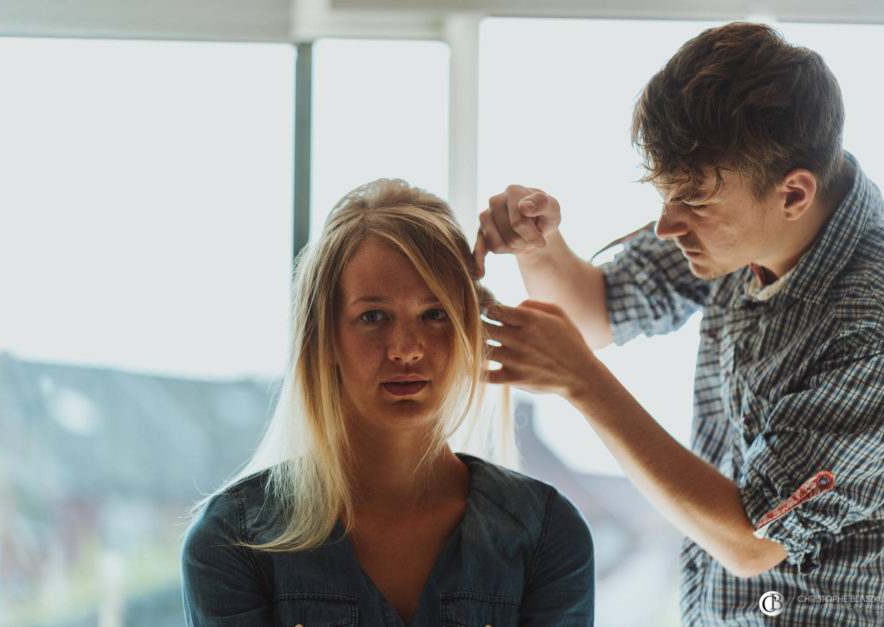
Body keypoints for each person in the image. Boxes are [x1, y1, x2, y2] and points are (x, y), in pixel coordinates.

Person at [474, 22, 884, 626]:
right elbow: (598, 311)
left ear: (793, 195)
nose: (667, 227)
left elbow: (752, 541)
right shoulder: (739, 217)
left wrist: (584, 383)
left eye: (694, 204)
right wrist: (537, 246)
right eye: (665, 196)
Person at [181, 178, 594, 626]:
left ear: (468, 330)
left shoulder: (548, 536)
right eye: (372, 317)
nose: (405, 348)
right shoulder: (232, 541)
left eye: (434, 314)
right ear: (326, 338)